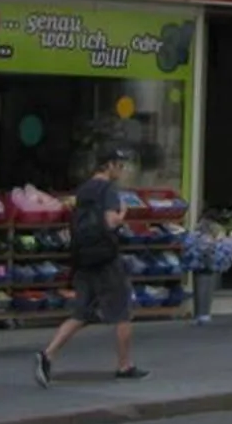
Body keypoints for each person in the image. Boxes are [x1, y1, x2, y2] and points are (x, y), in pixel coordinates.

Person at [34, 148, 147, 386]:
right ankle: (125, 366)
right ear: (109, 165)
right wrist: (122, 214)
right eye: (119, 165)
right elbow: (110, 222)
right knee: (123, 311)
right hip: (106, 258)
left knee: (81, 312)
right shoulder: (108, 190)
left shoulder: (84, 189)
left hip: (84, 257)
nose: (121, 170)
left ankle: (48, 354)